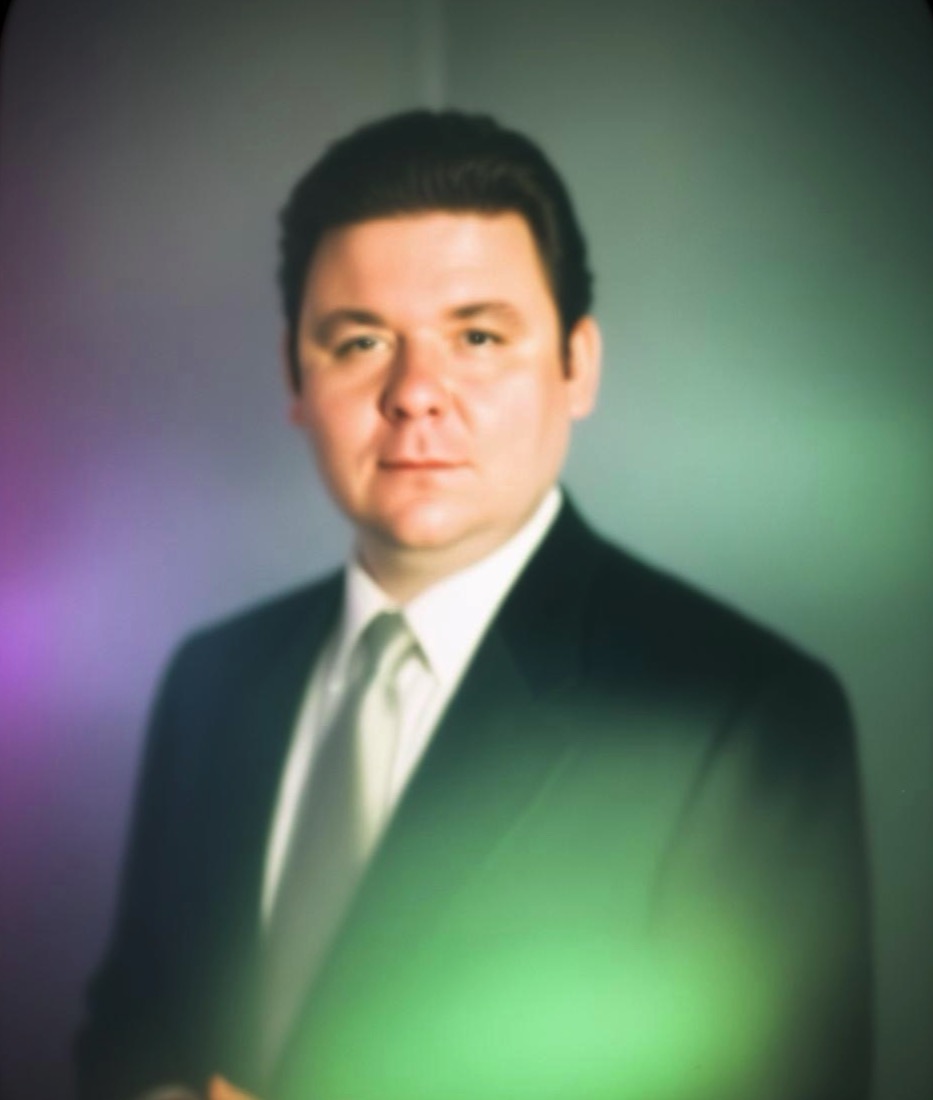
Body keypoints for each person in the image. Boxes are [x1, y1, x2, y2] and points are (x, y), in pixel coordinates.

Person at [75, 110, 873, 1100]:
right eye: (361, 341)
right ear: (294, 374)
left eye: (478, 336)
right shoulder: (212, 678)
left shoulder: (739, 718)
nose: (416, 392)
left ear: (577, 365)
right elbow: (129, 1021)